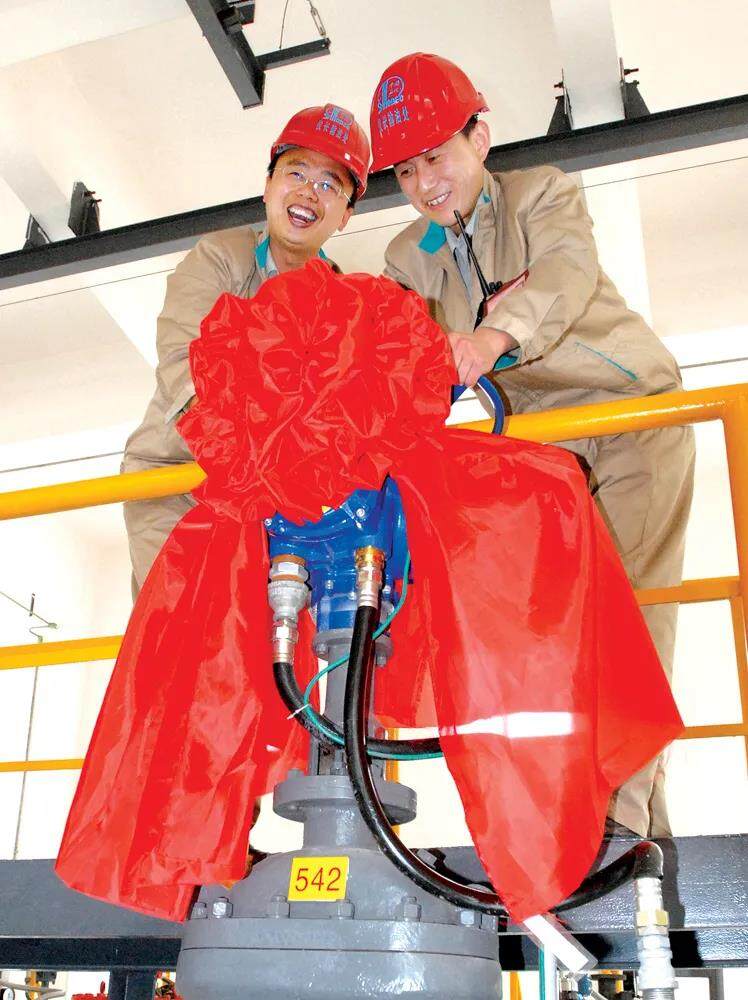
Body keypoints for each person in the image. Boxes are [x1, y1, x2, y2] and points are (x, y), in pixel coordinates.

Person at [369, 52, 695, 838]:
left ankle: (622, 819)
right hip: (539, 448)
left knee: (633, 611)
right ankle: (615, 812)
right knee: (559, 631)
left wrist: (488, 339)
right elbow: (401, 354)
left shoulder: (543, 194)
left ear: (479, 137)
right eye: (406, 171)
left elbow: (562, 276)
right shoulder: (405, 258)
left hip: (630, 415)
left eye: (435, 157)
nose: (423, 183)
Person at [122, 104, 370, 591]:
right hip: (175, 475)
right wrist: (242, 454)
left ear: (345, 215)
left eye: (329, 185)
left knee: (270, 624)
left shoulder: (343, 301)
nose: (308, 192)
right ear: (268, 185)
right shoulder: (221, 257)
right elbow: (184, 362)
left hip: (272, 495)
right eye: (296, 173)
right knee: (178, 615)